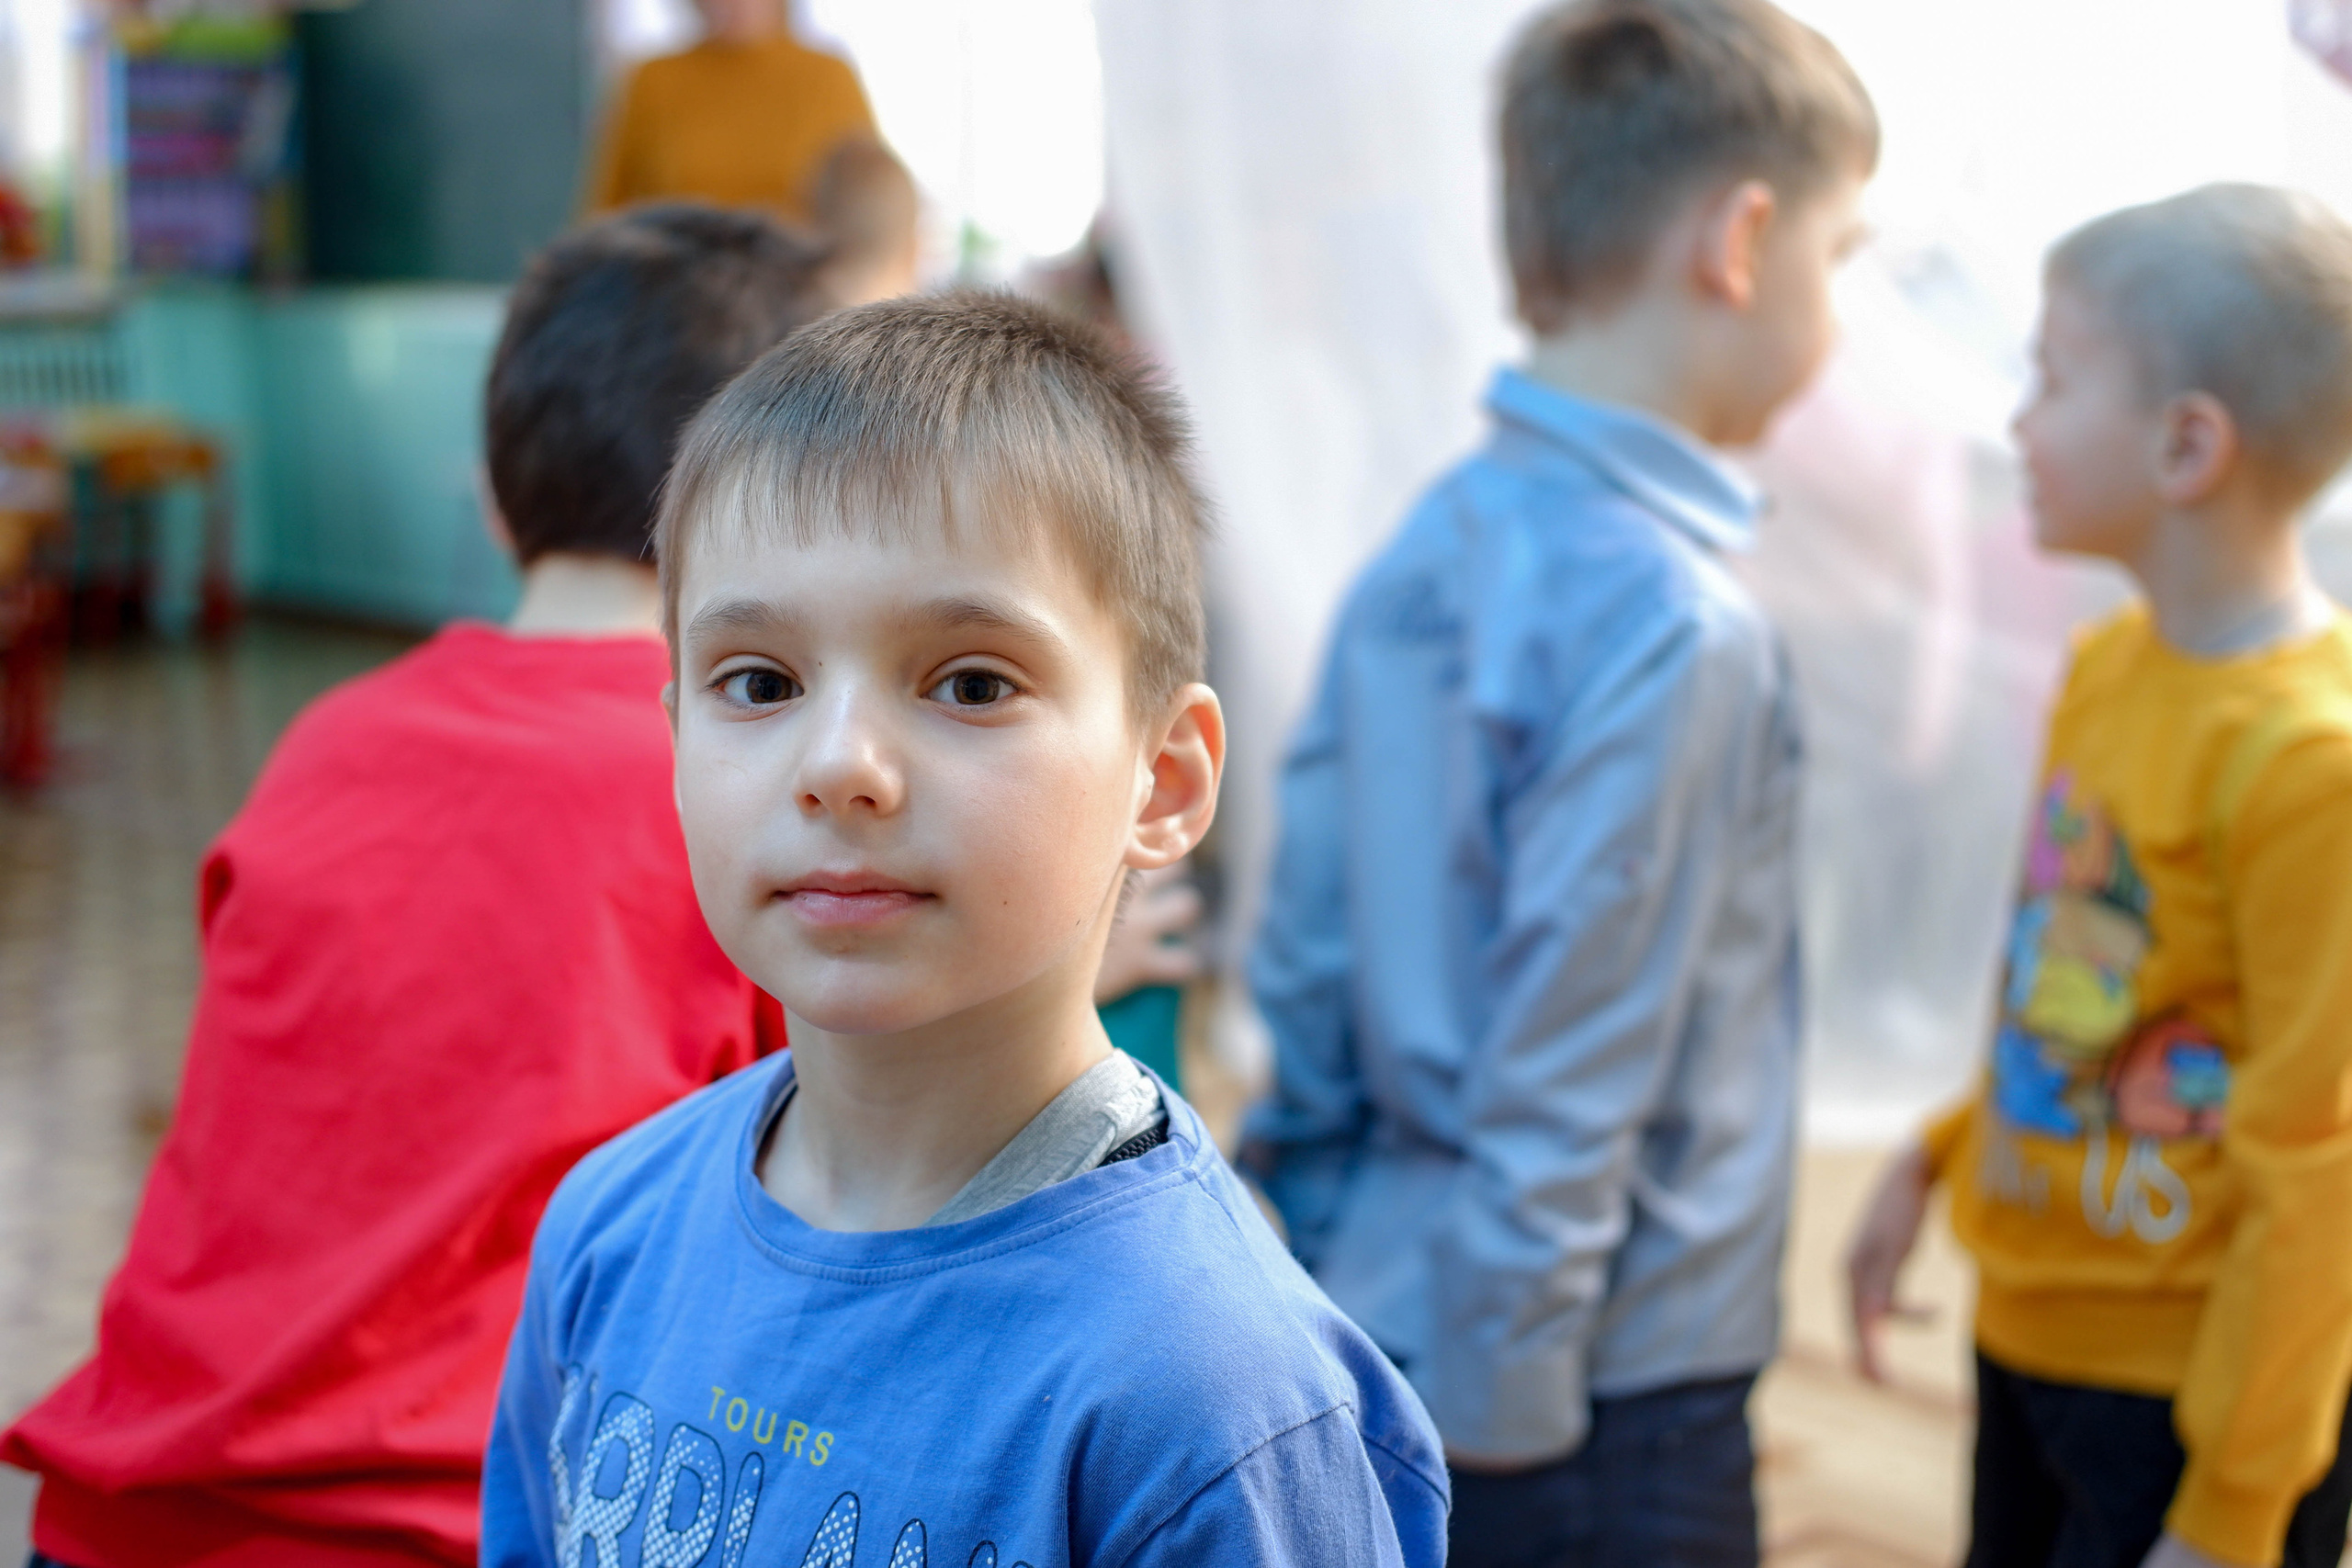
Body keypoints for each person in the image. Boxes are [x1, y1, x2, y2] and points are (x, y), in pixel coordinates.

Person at [479, 294, 1449, 1568]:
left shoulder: (1211, 1406)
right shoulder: (610, 1232)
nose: (839, 765)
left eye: (972, 682)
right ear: (675, 740)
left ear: (1162, 779)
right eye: (760, 683)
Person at [0, 205, 831, 1568]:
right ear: (809, 527)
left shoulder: (330, 739)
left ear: (494, 493)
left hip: (119, 1524)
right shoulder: (745, 795)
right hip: (460, 1528)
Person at [1240, 2, 1876, 1562]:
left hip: (1371, 1308)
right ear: (1742, 240)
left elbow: (1305, 948)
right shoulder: (1681, 622)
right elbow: (1576, 1062)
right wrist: (1505, 1420)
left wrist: (1302, 1250)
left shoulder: (1419, 546)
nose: (1845, 307)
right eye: (1844, 252)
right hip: (1590, 1393)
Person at [1847, 185, 2352, 1568]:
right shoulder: (2105, 668)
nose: (2016, 420)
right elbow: (2066, 984)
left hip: (2184, 1400)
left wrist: (2234, 1511)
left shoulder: (2312, 763)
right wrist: (1938, 1154)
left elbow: (2322, 1168)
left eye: (2054, 379)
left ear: (2188, 443)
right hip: (2028, 1334)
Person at [588, 0, 876, 228]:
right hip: (677, 276)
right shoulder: (654, 79)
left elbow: (873, 200)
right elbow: (608, 208)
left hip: (798, 276)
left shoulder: (827, 76)